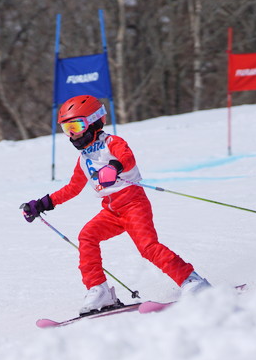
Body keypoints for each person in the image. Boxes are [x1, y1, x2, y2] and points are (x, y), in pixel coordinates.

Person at [22, 94, 211, 315]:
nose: (72, 134)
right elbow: (72, 188)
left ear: (94, 121)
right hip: (111, 210)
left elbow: (127, 158)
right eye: (67, 128)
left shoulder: (113, 142)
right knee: (87, 236)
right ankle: (99, 290)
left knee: (148, 247)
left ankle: (192, 281)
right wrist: (42, 204)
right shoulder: (83, 158)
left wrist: (114, 167)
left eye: (76, 125)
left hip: (133, 203)